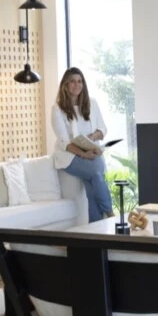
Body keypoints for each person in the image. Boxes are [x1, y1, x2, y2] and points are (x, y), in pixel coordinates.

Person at [51, 67, 114, 222]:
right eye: (72, 81)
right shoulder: (57, 109)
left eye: (80, 81)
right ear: (65, 85)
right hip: (69, 156)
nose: (77, 85)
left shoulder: (92, 103)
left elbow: (102, 129)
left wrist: (91, 138)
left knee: (92, 186)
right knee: (96, 173)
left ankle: (96, 228)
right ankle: (110, 212)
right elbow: (64, 143)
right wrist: (83, 154)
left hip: (91, 151)